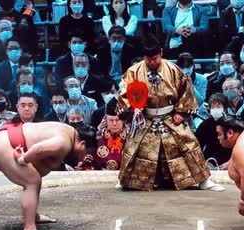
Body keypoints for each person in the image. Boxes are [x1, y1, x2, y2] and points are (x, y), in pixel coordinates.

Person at [116, 35, 224, 191]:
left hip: (170, 116)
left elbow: (185, 92)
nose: (152, 62)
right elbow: (124, 93)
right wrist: (134, 109)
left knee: (189, 142)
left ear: (161, 53)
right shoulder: (133, 72)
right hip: (144, 117)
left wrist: (181, 112)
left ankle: (203, 180)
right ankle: (126, 179)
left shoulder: (173, 70)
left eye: (155, 58)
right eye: (148, 59)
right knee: (133, 147)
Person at [0, 121, 97, 230]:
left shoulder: (69, 131)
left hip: (8, 138)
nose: (83, 158)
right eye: (87, 153)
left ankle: (32, 215)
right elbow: (38, 149)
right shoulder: (63, 142)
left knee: (34, 178)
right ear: (82, 144)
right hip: (5, 143)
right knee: (32, 181)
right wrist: (22, 159)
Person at [195, 93, 232, 167]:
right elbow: (197, 145)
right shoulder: (205, 125)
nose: (215, 109)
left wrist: (230, 162)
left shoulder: (232, 123)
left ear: (225, 108)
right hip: (210, 161)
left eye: (218, 106)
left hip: (230, 161)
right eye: (213, 107)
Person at [95, 98, 128, 170]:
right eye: (111, 120)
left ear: (123, 121)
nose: (114, 124)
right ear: (105, 120)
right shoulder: (98, 136)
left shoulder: (131, 137)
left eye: (117, 120)